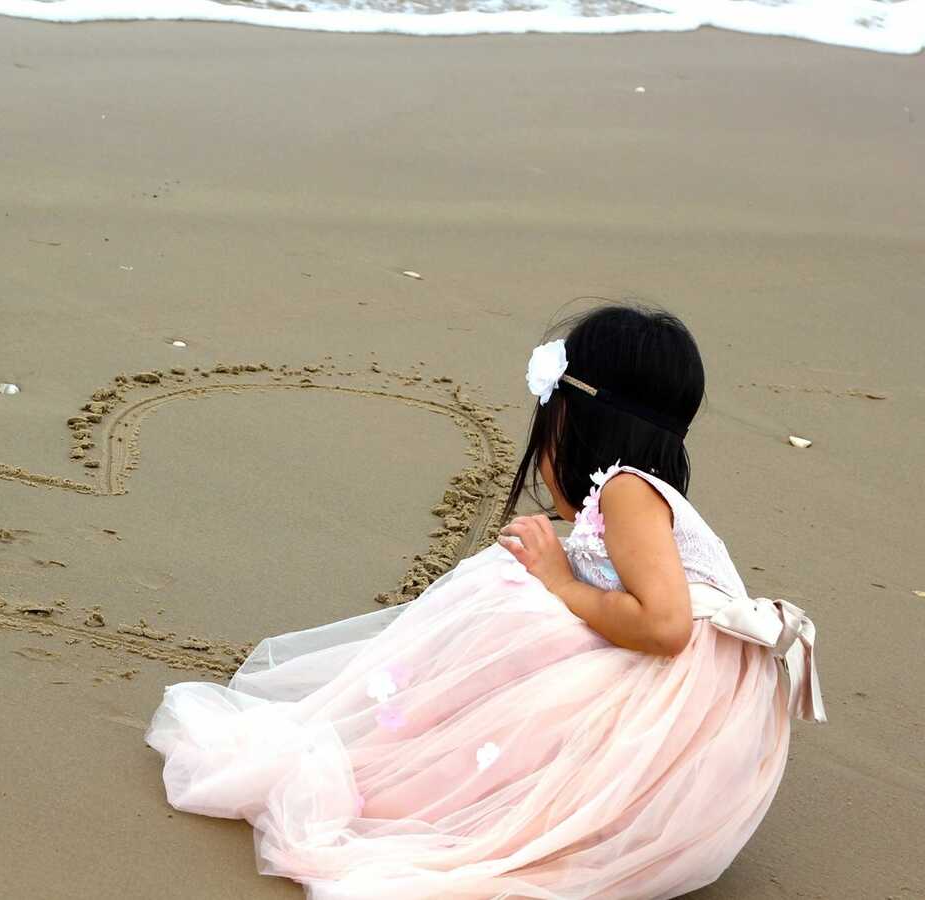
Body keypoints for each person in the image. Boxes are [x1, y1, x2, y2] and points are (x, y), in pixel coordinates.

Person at [146, 303, 824, 899]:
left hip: (679, 697)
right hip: (697, 713)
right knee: (526, 583)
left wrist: (559, 583)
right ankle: (429, 770)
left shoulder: (627, 491)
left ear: (573, 414)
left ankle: (411, 779)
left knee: (510, 592)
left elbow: (668, 626)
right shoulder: (631, 493)